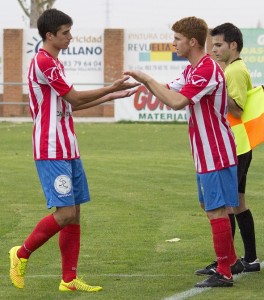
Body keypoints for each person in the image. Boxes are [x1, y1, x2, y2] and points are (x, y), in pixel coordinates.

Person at [9, 8, 139, 292]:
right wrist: (110, 86)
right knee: (65, 213)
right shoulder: (44, 62)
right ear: (50, 35)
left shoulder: (55, 62)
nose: (70, 37)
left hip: (68, 146)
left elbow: (72, 104)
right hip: (51, 148)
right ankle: (21, 253)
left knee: (75, 213)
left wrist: (112, 95)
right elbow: (75, 96)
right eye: (65, 32)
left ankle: (68, 280)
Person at [124, 16, 244, 288]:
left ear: (191, 41)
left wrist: (144, 77)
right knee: (208, 206)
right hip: (204, 153)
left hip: (216, 151)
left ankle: (224, 271)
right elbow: (169, 90)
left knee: (216, 210)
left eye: (177, 39)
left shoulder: (206, 70)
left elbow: (177, 102)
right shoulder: (193, 70)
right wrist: (140, 84)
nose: (173, 43)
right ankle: (232, 260)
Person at [195, 23, 260, 276]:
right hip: (241, 144)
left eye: (219, 45)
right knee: (238, 203)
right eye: (212, 46)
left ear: (233, 45)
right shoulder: (234, 68)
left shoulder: (232, 71)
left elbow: (237, 108)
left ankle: (228, 260)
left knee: (224, 204)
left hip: (234, 145)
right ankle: (250, 259)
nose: (214, 50)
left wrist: (213, 90)